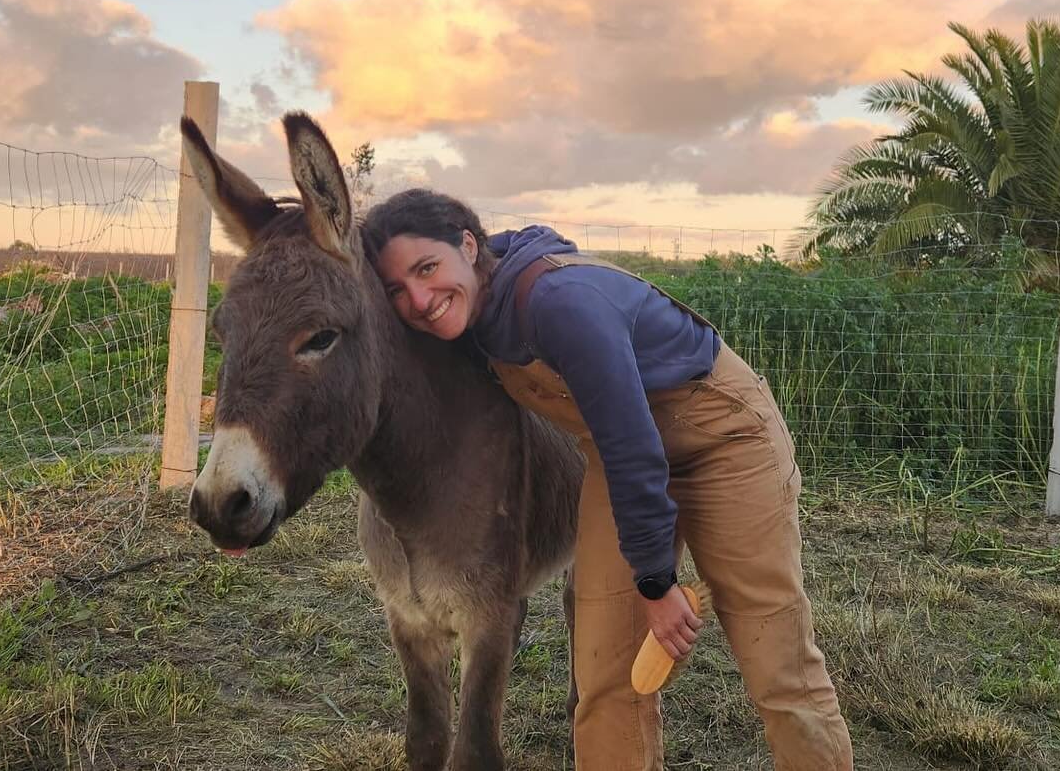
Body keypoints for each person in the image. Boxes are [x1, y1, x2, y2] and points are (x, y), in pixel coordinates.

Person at [363, 189, 853, 771]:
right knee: (605, 671)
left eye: (427, 268)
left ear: (469, 246)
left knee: (774, 661)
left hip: (723, 442)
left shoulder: (557, 302)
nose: (419, 299)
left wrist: (656, 582)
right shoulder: (467, 315)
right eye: (397, 289)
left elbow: (631, 440)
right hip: (622, 455)